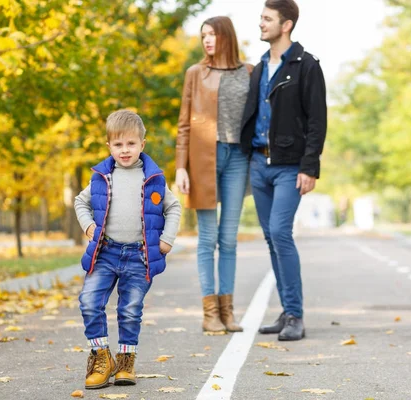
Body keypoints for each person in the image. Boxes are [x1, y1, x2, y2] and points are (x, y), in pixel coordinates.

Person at [74, 110, 181, 389]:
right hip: (105, 253)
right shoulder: (101, 177)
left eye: (131, 144)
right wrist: (87, 227)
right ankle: (101, 356)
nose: (125, 150)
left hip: (138, 255)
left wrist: (167, 239)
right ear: (109, 146)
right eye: (118, 145)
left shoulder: (153, 177)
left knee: (130, 310)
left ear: (142, 145)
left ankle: (125, 361)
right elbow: (80, 202)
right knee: (89, 301)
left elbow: (173, 207)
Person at [240, 0, 327, 341]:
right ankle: (287, 310)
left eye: (267, 19)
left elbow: (318, 120)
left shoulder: (306, 65)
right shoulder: (260, 66)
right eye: (261, 18)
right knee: (271, 239)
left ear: (286, 24)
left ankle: (296, 315)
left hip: (290, 166)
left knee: (280, 233)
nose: (260, 24)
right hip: (259, 164)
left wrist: (310, 166)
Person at [175, 16, 253, 333]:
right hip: (204, 159)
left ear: (227, 37)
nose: (207, 40)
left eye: (213, 35)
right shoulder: (195, 73)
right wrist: (181, 166)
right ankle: (210, 315)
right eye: (203, 35)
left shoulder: (249, 73)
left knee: (229, 239)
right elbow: (184, 123)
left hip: (238, 158)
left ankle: (228, 312)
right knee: (207, 239)